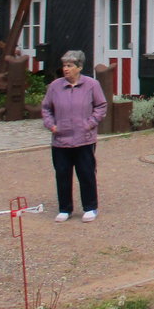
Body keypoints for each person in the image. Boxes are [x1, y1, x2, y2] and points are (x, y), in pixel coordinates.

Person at [41, 50, 107, 222]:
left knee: (86, 173)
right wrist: (51, 125)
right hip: (60, 139)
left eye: (70, 66)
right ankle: (65, 209)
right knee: (62, 174)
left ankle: (90, 208)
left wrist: (90, 123)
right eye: (64, 65)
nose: (66, 69)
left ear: (79, 67)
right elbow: (46, 108)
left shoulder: (92, 85)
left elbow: (101, 106)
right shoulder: (55, 86)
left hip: (84, 138)